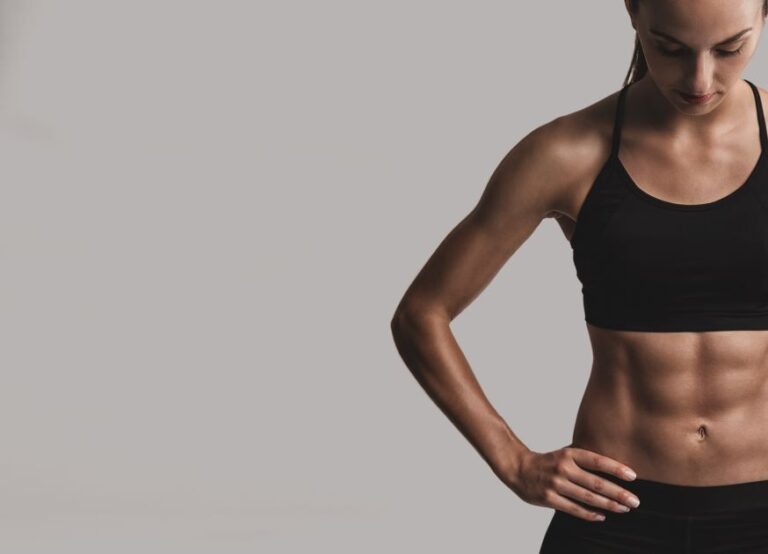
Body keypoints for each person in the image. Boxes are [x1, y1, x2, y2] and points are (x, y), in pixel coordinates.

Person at [390, 0, 768, 551]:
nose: (700, 78)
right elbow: (422, 314)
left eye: (730, 48)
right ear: (633, 12)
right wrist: (514, 461)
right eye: (671, 48)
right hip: (612, 516)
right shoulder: (566, 153)